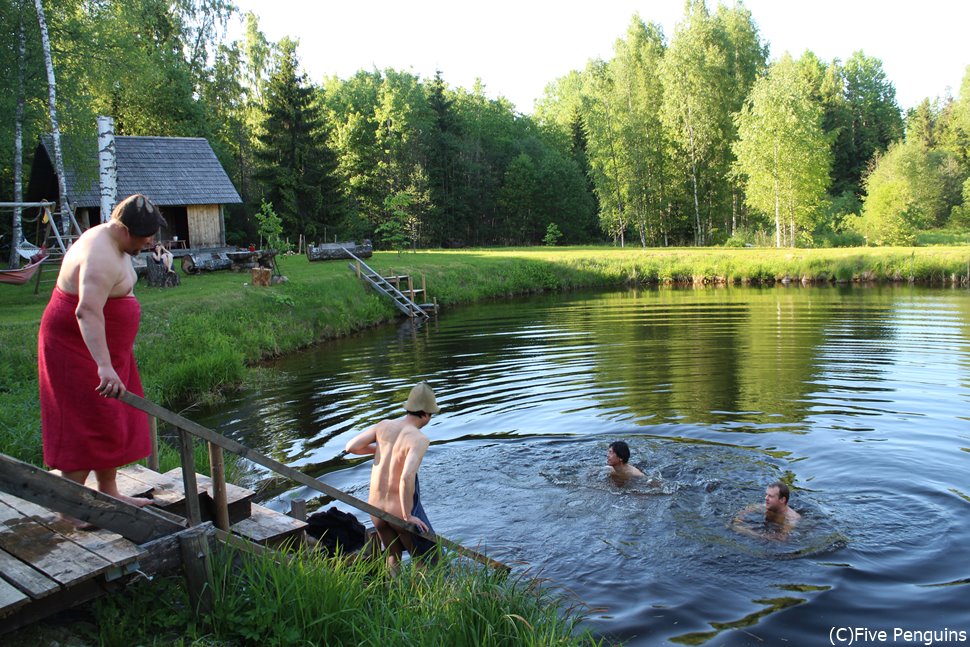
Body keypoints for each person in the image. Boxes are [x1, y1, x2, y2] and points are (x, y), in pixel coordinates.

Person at [38, 194, 167, 511]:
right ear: (124, 229)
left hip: (107, 351)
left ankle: (108, 490)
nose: (150, 241)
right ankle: (70, 509)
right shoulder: (99, 255)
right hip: (79, 350)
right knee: (87, 424)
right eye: (145, 235)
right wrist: (104, 366)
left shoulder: (116, 243)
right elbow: (86, 311)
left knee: (111, 420)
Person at [344, 382, 440, 573]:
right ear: (427, 414)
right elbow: (406, 477)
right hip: (398, 512)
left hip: (375, 509)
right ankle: (419, 599)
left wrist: (382, 450)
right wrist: (407, 516)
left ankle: (392, 594)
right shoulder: (419, 439)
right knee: (425, 559)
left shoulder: (384, 426)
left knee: (392, 555)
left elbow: (351, 446)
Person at [732, 481, 802, 540]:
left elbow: (781, 539)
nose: (766, 498)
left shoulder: (792, 518)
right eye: (766, 494)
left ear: (782, 500)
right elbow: (746, 510)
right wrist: (738, 520)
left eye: (770, 496)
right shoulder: (766, 506)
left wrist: (746, 531)